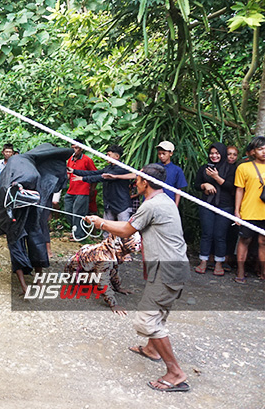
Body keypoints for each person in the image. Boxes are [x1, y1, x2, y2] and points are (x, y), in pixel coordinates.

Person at [85, 164, 191, 392]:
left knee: (146, 320)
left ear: (145, 182)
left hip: (168, 269)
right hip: (173, 267)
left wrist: (100, 222)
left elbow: (125, 230)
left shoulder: (151, 205)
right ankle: (153, 349)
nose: (135, 183)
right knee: (158, 311)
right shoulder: (165, 201)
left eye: (138, 179)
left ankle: (175, 373)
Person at [193, 143, 235, 276]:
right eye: (212, 153)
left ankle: (218, 263)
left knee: (220, 235)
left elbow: (232, 187)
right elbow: (196, 185)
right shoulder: (204, 168)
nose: (214, 155)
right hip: (207, 204)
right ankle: (204, 261)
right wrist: (204, 185)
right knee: (207, 234)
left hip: (225, 206)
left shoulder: (231, 169)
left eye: (217, 153)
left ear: (222, 153)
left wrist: (216, 177)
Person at [71, 144, 133, 233]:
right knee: (106, 229)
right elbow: (95, 173)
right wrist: (74, 171)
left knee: (124, 230)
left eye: (109, 155)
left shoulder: (121, 169)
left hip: (121, 204)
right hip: (110, 204)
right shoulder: (109, 168)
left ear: (117, 156)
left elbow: (101, 177)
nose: (106, 157)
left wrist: (83, 179)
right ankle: (106, 245)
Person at [233, 136, 265, 283]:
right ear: (252, 152)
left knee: (263, 242)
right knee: (244, 240)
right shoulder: (243, 167)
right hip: (248, 211)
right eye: (260, 149)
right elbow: (239, 190)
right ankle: (240, 271)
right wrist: (237, 212)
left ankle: (263, 271)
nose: (264, 151)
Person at [62, 140, 96, 241]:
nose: (74, 150)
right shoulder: (70, 159)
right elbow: (68, 175)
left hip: (83, 190)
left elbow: (94, 174)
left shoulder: (87, 160)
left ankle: (79, 235)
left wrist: (92, 189)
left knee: (78, 212)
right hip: (71, 189)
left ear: (81, 149)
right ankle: (75, 231)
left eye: (76, 148)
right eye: (73, 148)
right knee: (68, 211)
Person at [155, 141, 188, 206]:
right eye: (159, 154)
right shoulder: (153, 167)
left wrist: (175, 206)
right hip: (153, 202)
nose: (161, 156)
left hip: (168, 203)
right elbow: (140, 174)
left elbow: (178, 190)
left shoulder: (177, 170)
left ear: (171, 153)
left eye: (164, 154)